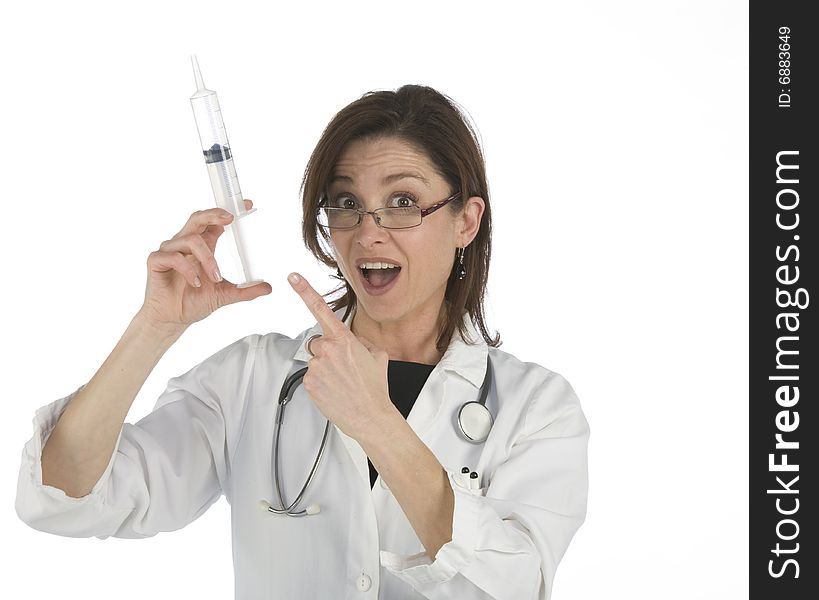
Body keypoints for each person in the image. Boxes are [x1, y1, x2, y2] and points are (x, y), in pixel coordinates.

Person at [16, 85, 590, 599]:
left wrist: (376, 422)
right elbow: (66, 496)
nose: (369, 231)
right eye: (345, 202)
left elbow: (520, 583)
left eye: (403, 202)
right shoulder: (252, 379)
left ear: (466, 221)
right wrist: (155, 325)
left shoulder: (535, 407)